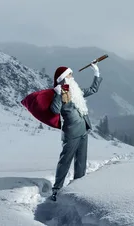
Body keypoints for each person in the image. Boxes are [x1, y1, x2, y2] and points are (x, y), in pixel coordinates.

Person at [49, 62, 102, 201]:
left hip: (83, 128)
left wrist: (96, 72)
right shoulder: (61, 92)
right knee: (65, 161)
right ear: (64, 77)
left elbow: (93, 90)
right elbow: (54, 110)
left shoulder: (76, 91)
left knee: (81, 161)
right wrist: (58, 93)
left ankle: (79, 187)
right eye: (70, 74)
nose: (72, 77)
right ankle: (56, 190)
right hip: (71, 132)